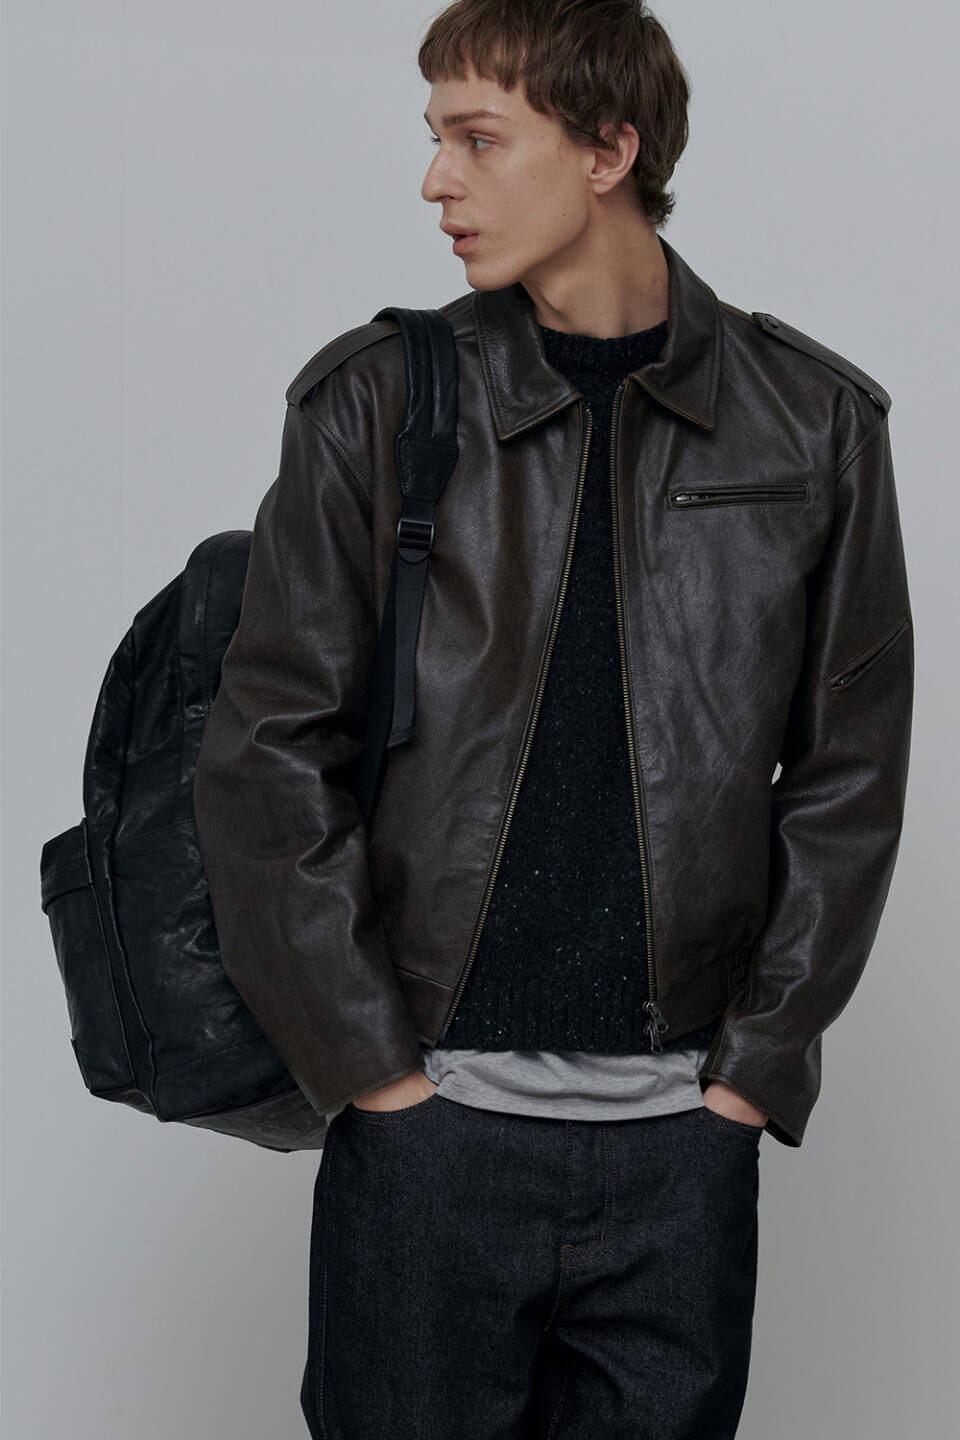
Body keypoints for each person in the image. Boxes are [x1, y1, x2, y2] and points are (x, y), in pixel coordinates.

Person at [192, 2, 914, 1436]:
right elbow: (270, 753)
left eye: (478, 138)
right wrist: (377, 1079)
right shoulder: (376, 405)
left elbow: (850, 778)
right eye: (435, 138)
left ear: (608, 150)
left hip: (682, 1152)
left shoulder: (814, 423)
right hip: (430, 1138)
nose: (435, 181)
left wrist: (748, 1082)